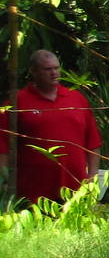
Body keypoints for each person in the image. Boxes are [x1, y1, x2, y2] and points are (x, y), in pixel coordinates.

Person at [1, 50, 102, 206]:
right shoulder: (17, 101)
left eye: (56, 68)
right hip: (32, 192)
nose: (54, 73)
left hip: (75, 190)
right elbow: (3, 145)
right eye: (47, 69)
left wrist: (92, 176)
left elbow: (93, 142)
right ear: (33, 71)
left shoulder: (76, 98)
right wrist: (5, 180)